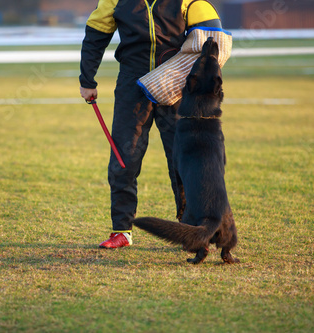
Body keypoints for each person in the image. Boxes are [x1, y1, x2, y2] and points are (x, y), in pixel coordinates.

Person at [79, 0, 222, 248]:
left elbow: (215, 39)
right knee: (124, 159)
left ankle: (189, 226)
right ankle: (122, 231)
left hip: (176, 84)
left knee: (184, 161)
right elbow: (95, 35)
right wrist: (87, 78)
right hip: (132, 84)